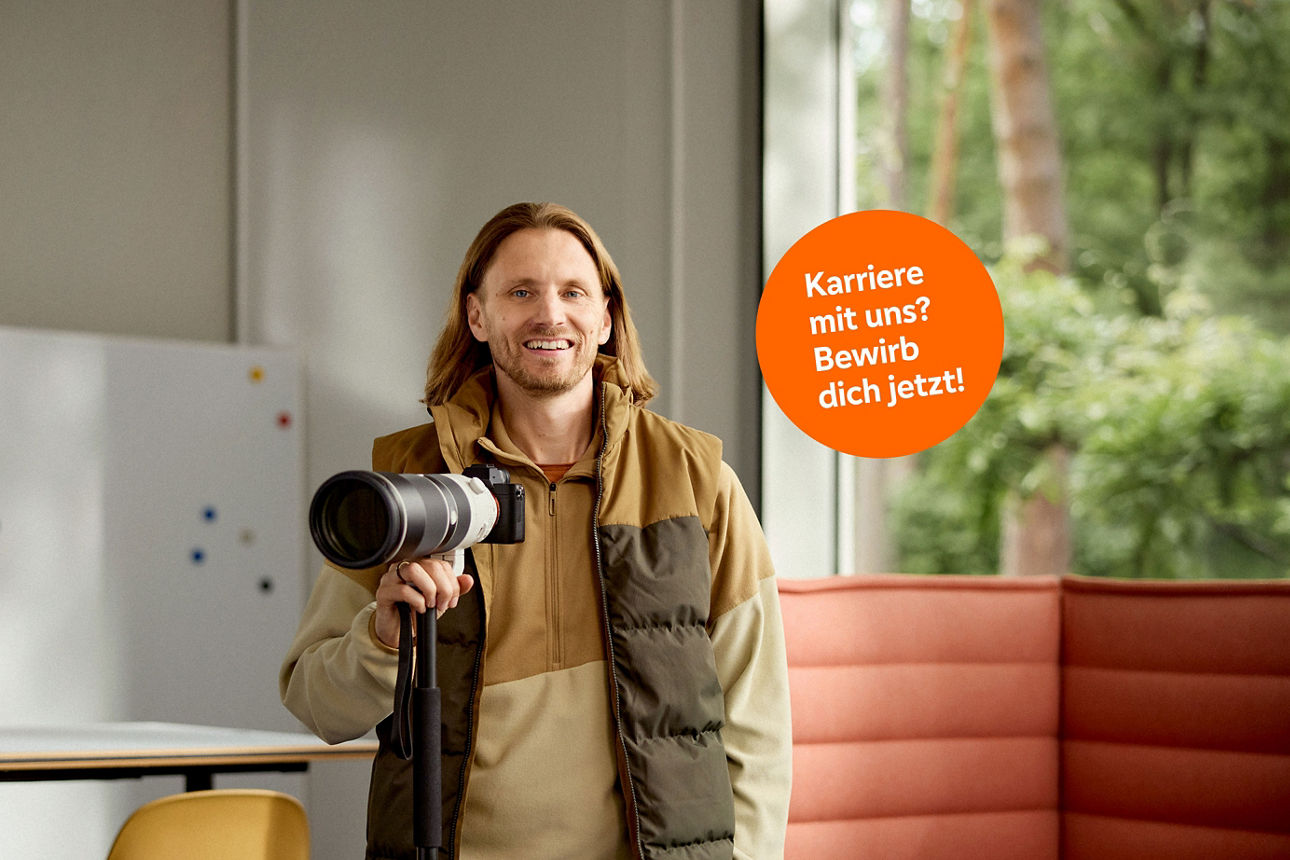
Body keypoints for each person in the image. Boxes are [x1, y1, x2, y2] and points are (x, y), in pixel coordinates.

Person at [279, 201, 792, 860]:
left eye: (573, 292)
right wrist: (383, 641)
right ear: (477, 316)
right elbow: (317, 703)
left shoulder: (697, 481)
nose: (550, 314)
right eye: (521, 292)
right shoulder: (408, 486)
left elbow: (758, 726)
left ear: (606, 317)